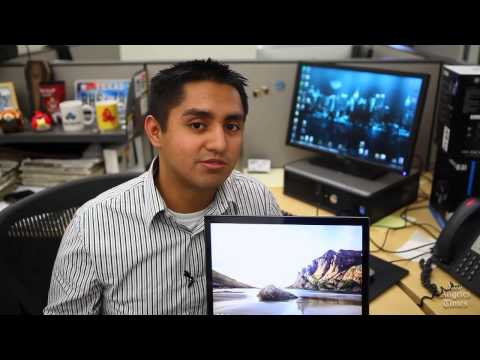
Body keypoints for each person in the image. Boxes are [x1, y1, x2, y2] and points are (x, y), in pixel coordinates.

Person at [43, 59, 282, 315]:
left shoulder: (258, 199)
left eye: (232, 126)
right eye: (198, 125)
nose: (219, 144)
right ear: (156, 131)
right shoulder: (92, 226)